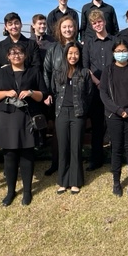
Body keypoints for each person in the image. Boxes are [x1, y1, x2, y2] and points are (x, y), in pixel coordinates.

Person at [0, 43, 48, 206]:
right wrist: (6, 93)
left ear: (25, 56)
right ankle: (10, 191)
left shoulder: (34, 72)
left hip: (26, 118)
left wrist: (30, 92)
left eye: (20, 53)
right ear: (8, 56)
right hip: (6, 118)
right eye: (13, 53)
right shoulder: (1, 72)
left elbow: (42, 95)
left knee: (27, 155)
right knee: (9, 156)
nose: (16, 55)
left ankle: (27, 192)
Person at [99, 40, 128, 196]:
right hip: (114, 115)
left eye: (124, 50)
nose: (121, 53)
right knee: (116, 149)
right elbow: (103, 93)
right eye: (118, 50)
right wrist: (118, 110)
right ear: (113, 53)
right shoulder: (108, 70)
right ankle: (116, 182)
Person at [52, 42, 92, 194]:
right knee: (63, 147)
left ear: (79, 55)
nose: (73, 56)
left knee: (76, 147)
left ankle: (75, 181)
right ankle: (63, 181)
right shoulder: (58, 72)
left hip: (78, 114)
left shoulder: (84, 73)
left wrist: (82, 110)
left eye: (76, 53)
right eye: (70, 53)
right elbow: (55, 91)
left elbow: (89, 95)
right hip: (61, 113)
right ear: (65, 55)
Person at [43, 15, 80, 176]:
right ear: (59, 29)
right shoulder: (53, 48)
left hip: (75, 98)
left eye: (70, 26)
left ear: (75, 28)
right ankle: (56, 163)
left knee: (74, 135)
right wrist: (47, 93)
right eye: (64, 27)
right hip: (57, 97)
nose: (67, 29)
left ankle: (73, 167)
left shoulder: (80, 47)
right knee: (58, 135)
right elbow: (46, 71)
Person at [82, 9, 116, 171]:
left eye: (99, 22)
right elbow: (85, 67)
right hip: (95, 89)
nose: (97, 25)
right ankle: (96, 159)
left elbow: (120, 64)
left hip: (113, 89)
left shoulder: (115, 41)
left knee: (113, 124)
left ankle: (115, 158)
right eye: (94, 23)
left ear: (104, 21)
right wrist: (97, 82)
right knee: (96, 126)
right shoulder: (88, 43)